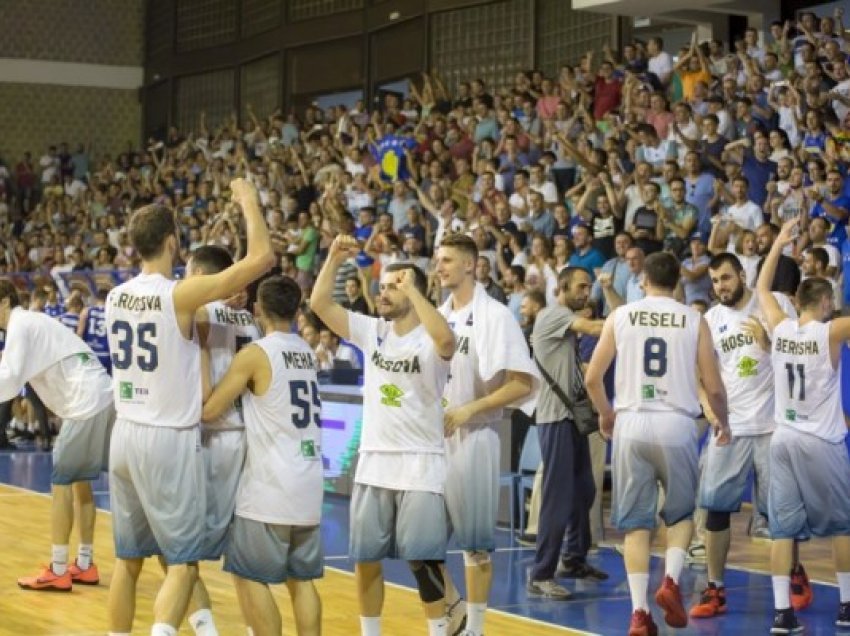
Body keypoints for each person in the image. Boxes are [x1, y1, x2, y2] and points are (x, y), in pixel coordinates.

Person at [105, 178, 274, 636]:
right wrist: (247, 201)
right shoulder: (178, 295)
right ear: (172, 242)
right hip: (167, 439)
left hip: (122, 435)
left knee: (128, 561)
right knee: (182, 563)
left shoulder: (113, 296)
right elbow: (261, 260)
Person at [310, 235, 456, 636]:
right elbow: (319, 305)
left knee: (425, 562)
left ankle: (439, 631)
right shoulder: (372, 330)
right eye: (384, 285)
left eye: (395, 285)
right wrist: (334, 259)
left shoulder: (431, 337)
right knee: (366, 559)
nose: (384, 291)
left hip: (421, 463)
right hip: (374, 462)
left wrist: (415, 291)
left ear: (415, 292)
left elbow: (446, 342)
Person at [585, 251, 730, 636]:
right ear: (677, 283)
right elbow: (713, 387)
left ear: (643, 280)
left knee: (636, 526)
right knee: (680, 516)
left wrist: (606, 414)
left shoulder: (620, 316)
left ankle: (639, 614)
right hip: (677, 423)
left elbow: (592, 378)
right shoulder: (694, 319)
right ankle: (670, 581)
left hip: (631, 422)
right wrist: (724, 421)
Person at [691, 252, 812, 620]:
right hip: (732, 427)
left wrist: (770, 343)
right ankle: (716, 589)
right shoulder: (709, 320)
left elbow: (801, 364)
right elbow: (698, 375)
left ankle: (794, 573)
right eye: (714, 281)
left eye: (726, 278)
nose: (720, 287)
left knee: (782, 513)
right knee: (715, 510)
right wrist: (710, 411)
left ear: (742, 275)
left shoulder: (772, 307)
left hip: (774, 426)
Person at [203, 275, 323, 636]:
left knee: (247, 575)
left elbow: (209, 410)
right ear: (296, 310)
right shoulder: (306, 351)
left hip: (271, 484)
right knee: (301, 580)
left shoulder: (255, 354)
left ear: (257, 310)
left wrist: (204, 349)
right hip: (310, 481)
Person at [432, 233, 538, 635]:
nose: (439, 267)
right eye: (438, 260)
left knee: (475, 545)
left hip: (475, 437)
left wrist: (468, 409)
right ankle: (452, 611)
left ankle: (473, 630)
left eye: (446, 260)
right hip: (435, 440)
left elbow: (521, 384)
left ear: (470, 266)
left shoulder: (495, 315)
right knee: (417, 545)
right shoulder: (438, 314)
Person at [756, 218, 850, 635]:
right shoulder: (830, 333)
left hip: (783, 439)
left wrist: (778, 242)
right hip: (821, 443)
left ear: (797, 301)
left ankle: (782, 615)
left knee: (783, 530)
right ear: (827, 302)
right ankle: (847, 607)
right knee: (843, 526)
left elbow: (761, 289)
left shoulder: (780, 328)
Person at [0, 280, 114, 592]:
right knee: (80, 483)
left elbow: (9, 381)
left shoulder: (20, 324)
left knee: (61, 481)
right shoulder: (31, 322)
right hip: (100, 394)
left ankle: (59, 568)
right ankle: (85, 564)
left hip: (84, 401)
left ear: (5, 303)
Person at [182, 244, 263, 635]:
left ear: (198, 274)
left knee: (182, 547)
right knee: (243, 552)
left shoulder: (198, 311)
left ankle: (204, 629)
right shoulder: (251, 320)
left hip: (213, 436)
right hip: (249, 439)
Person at [527, 266, 608, 600]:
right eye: (580, 286)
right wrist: (631, 321)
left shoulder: (562, 322)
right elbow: (592, 328)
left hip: (570, 419)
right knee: (558, 499)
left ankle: (573, 559)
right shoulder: (552, 315)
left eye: (588, 288)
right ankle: (541, 573)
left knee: (585, 491)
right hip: (555, 419)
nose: (585, 293)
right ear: (561, 286)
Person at [77, 287, 112, 375]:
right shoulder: (111, 312)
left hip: (90, 354)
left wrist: (82, 358)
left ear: (97, 298)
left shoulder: (86, 311)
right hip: (106, 354)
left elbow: (79, 335)